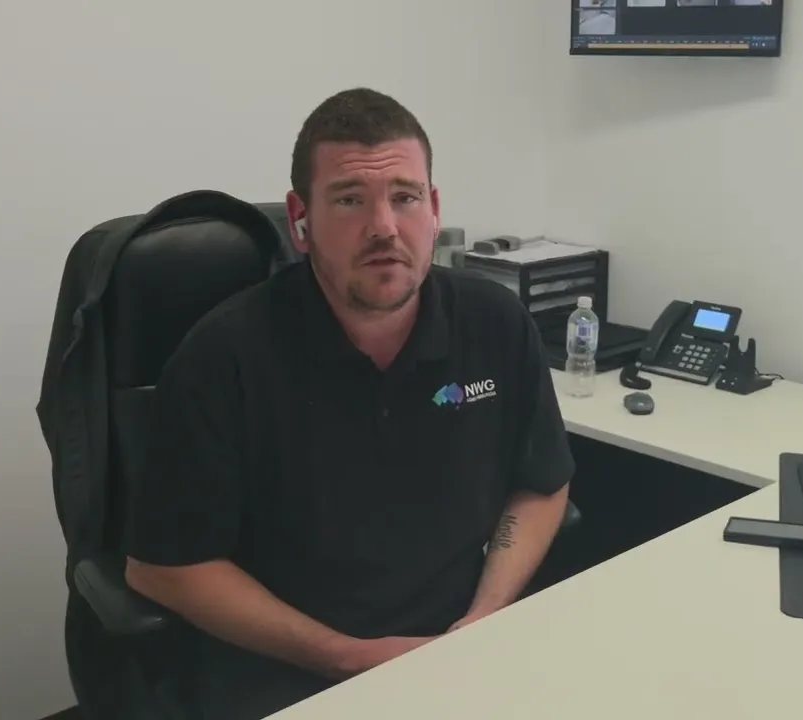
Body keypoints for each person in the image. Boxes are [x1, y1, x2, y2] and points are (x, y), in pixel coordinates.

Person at [124, 88, 575, 719]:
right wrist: (344, 657)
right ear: (300, 220)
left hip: (460, 641)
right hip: (290, 663)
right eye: (349, 200)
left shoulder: (496, 322)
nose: (384, 227)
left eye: (405, 197)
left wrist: (484, 617)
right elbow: (161, 567)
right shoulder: (223, 355)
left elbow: (541, 484)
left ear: (434, 209)